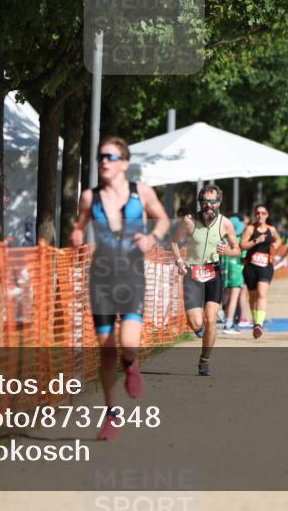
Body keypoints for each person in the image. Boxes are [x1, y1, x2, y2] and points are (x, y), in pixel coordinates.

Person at [70, 137, 170, 440]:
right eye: (101, 157)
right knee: (106, 349)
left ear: (124, 163)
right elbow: (79, 225)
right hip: (101, 278)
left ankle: (130, 364)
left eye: (110, 157)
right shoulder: (89, 197)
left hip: (131, 276)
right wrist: (77, 235)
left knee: (128, 343)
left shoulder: (143, 192)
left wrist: (151, 238)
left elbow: (163, 220)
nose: (104, 161)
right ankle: (112, 414)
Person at [171, 184, 241, 375]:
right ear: (200, 202)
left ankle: (204, 360)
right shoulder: (189, 221)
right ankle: (199, 330)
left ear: (219, 202)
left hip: (213, 273)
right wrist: (179, 261)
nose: (209, 205)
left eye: (213, 201)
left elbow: (237, 249)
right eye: (205, 201)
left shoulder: (225, 223)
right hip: (192, 274)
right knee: (195, 323)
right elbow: (174, 241)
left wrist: (228, 251)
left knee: (211, 319)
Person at [239, 204, 280, 339]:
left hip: (266, 266)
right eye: (257, 213)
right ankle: (256, 320)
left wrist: (276, 244)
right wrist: (256, 240)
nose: (260, 215)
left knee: (262, 293)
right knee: (252, 296)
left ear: (267, 215)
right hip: (251, 267)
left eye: (263, 213)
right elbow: (242, 245)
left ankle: (259, 324)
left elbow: (278, 239)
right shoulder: (250, 229)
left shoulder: (271, 229)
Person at [222, 213, 251, 335]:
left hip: (224, 271)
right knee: (234, 297)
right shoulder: (238, 240)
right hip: (237, 271)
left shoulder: (222, 240)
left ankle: (224, 319)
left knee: (226, 297)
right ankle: (228, 324)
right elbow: (243, 256)